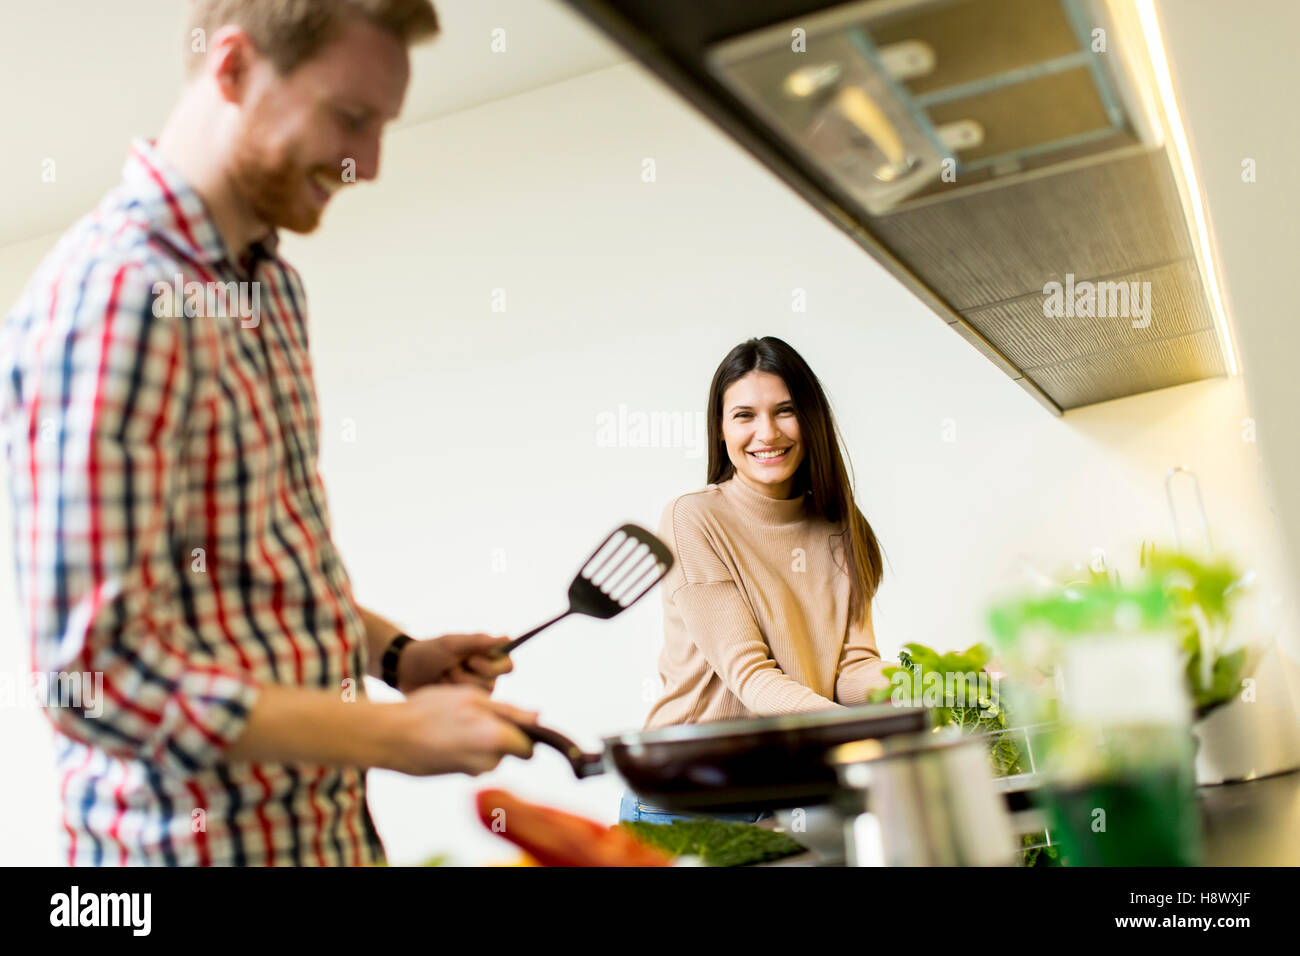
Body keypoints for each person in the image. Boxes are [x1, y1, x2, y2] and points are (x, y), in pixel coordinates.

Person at [0, 0, 537, 866]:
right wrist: (395, 738)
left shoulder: (269, 287)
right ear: (236, 68)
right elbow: (92, 679)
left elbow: (245, 565)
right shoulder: (114, 298)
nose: (368, 163)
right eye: (351, 116)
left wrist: (397, 656)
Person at [619, 336, 891, 825]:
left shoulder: (839, 526)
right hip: (689, 797)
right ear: (721, 431)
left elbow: (850, 669)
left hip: (784, 793)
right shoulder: (694, 518)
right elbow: (753, 679)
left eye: (784, 411)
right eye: (744, 415)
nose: (767, 433)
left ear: (811, 421)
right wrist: (862, 735)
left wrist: (936, 686)